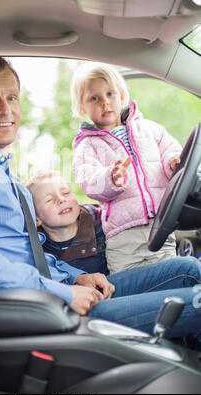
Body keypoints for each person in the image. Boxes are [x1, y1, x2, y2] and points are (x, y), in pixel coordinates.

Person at [0, 55, 201, 345]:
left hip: (51, 291)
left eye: (11, 97)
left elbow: (25, 253)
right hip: (41, 309)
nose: (6, 109)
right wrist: (64, 293)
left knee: (187, 270)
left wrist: (74, 277)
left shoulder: (2, 173)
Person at [71, 61, 182, 274]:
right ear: (82, 108)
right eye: (94, 98)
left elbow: (170, 148)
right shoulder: (87, 145)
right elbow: (89, 180)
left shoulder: (149, 129)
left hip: (160, 224)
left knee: (170, 277)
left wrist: (173, 162)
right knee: (130, 280)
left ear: (122, 96)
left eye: (110, 94)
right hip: (122, 235)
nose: (105, 102)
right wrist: (111, 177)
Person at [26, 169, 108, 275]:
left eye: (65, 193)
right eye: (49, 200)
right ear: (36, 219)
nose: (61, 199)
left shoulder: (102, 222)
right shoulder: (37, 249)